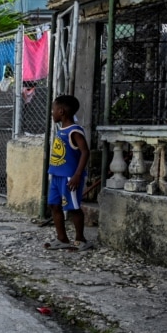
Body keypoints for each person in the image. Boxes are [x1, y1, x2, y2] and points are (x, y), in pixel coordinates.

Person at [44, 94, 92, 252]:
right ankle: (62, 238)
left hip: (70, 176)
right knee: (54, 205)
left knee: (73, 207)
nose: (52, 113)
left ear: (61, 111)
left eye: (54, 110)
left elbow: (85, 152)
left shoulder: (75, 131)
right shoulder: (61, 130)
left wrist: (78, 175)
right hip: (57, 174)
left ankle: (80, 240)